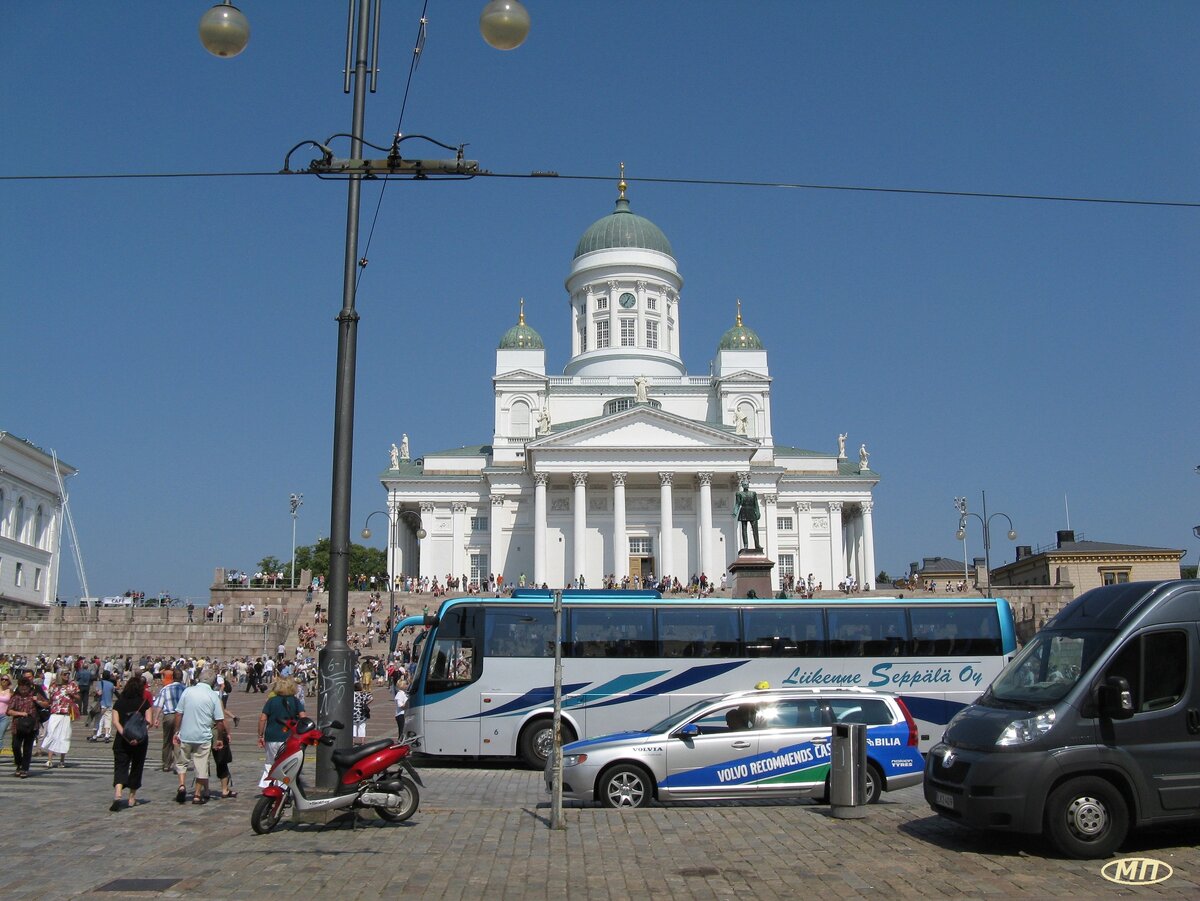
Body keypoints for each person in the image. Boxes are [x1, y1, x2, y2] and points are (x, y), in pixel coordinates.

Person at [173, 667, 225, 805]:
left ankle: (182, 785)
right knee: (201, 766)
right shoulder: (214, 696)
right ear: (213, 682)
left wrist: (176, 731)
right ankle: (197, 795)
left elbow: (178, 713)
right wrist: (220, 738)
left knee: (181, 762)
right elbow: (220, 721)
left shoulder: (188, 691)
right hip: (203, 736)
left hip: (186, 734)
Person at [110, 674, 151, 810]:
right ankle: (132, 798)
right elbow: (148, 723)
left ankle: (118, 793)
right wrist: (136, 737)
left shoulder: (119, 702)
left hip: (121, 740)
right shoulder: (144, 703)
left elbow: (115, 722)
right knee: (136, 767)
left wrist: (126, 735)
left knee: (120, 765)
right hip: (140, 741)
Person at [257, 676, 305, 788]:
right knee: (286, 762)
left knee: (270, 761)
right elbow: (303, 717)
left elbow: (263, 718)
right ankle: (284, 787)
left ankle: (268, 785)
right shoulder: (295, 701)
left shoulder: (271, 701)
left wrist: (260, 735)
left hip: (271, 736)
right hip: (289, 737)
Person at [8, 676, 46, 778]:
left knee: (27, 748)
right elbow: (9, 711)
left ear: (29, 687)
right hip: (18, 725)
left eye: (26, 688)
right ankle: (19, 764)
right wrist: (21, 713)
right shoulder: (15, 697)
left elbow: (47, 704)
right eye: (21, 688)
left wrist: (38, 701)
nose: (23, 690)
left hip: (32, 726)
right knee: (15, 746)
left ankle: (24, 768)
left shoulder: (34, 695)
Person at [42, 670, 80, 768]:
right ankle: (49, 760)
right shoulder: (54, 686)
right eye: (64, 674)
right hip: (55, 712)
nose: (67, 676)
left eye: (68, 674)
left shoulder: (72, 685)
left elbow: (78, 697)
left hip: (66, 713)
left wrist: (70, 693)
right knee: (51, 734)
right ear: (60, 675)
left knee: (64, 736)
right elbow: (49, 699)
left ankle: (62, 760)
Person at [153, 668, 185, 772]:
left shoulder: (165, 689)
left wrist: (156, 718)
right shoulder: (185, 689)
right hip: (180, 717)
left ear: (172, 677)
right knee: (179, 740)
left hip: (168, 716)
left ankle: (166, 764)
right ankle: (178, 764)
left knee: (167, 741)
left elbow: (159, 705)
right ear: (182, 678)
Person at [0, 674, 11, 748]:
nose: (4, 681)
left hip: (4, 717)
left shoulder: (10, 691)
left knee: (0, 736)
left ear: (9, 681)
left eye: (6, 679)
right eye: (2, 679)